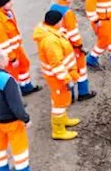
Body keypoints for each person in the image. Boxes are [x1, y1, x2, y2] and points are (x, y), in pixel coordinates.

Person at [33, 9, 80, 141]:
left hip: (59, 75)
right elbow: (56, 64)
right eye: (61, 21)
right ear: (56, 23)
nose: (62, 23)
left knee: (62, 100)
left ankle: (63, 120)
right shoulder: (51, 41)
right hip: (58, 77)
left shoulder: (51, 32)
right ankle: (58, 131)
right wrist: (67, 79)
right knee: (59, 103)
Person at [48, 0, 96, 101]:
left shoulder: (53, 7)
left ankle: (69, 96)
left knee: (65, 70)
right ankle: (83, 93)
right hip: (71, 46)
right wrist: (79, 46)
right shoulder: (68, 13)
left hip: (58, 44)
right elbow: (73, 33)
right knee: (80, 69)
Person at [0, 0, 39, 96]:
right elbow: (3, 44)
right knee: (12, 76)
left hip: (15, 48)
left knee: (24, 65)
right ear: (4, 4)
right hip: (6, 54)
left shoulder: (6, 13)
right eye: (9, 1)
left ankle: (25, 86)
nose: (12, 3)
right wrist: (12, 58)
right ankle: (15, 97)